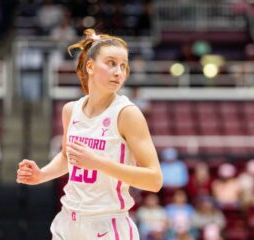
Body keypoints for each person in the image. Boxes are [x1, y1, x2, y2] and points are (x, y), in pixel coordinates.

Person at [16, 29, 163, 239]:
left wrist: (98, 162)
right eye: (111, 63)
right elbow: (69, 157)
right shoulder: (71, 110)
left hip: (108, 224)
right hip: (68, 221)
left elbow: (154, 180)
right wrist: (42, 175)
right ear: (90, 66)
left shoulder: (127, 114)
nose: (118, 72)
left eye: (123, 65)